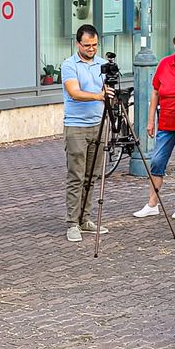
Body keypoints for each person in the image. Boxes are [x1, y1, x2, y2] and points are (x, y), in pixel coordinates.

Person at [133, 27, 175, 220]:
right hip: (166, 121)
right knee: (157, 161)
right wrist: (150, 121)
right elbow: (155, 92)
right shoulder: (164, 64)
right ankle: (152, 203)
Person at [62, 23, 111, 242]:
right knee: (76, 175)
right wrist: (99, 96)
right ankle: (72, 223)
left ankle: (85, 218)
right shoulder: (69, 65)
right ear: (78, 43)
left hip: (98, 124)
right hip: (76, 126)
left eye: (94, 45)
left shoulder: (103, 64)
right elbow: (74, 92)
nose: (91, 49)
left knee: (93, 175)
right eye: (87, 45)